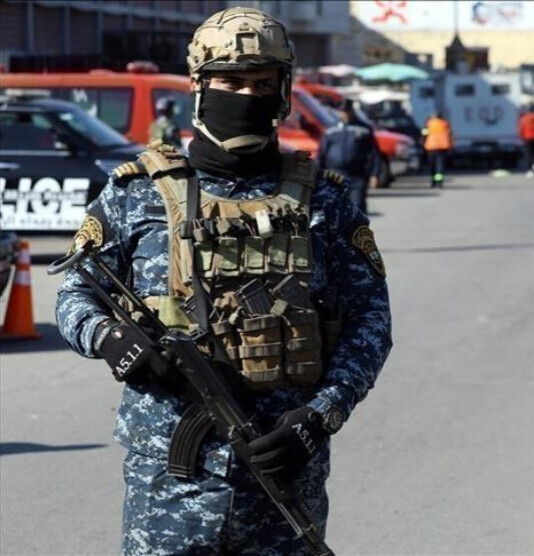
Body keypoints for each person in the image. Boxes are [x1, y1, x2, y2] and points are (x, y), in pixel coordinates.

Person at [55, 7, 392, 553]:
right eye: (230, 82)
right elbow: (74, 293)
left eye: (263, 83)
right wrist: (110, 339)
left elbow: (370, 321)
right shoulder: (135, 194)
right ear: (199, 85)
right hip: (169, 481)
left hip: (282, 474)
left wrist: (318, 417)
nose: (247, 96)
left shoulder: (325, 201)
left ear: (283, 91)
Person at [318, 98, 381, 215]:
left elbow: (374, 153)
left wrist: (374, 174)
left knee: (357, 209)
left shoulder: (364, 129)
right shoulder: (331, 130)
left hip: (357, 176)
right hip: (335, 176)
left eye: (347, 111)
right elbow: (322, 154)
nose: (345, 114)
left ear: (352, 111)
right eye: (342, 112)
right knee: (335, 211)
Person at [423, 110, 452, 188]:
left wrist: (423, 143)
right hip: (442, 147)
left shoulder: (428, 123)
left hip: (431, 147)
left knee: (432, 165)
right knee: (440, 166)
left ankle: (433, 182)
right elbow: (449, 135)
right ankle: (439, 183)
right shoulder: (445, 123)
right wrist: (450, 147)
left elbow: (424, 134)